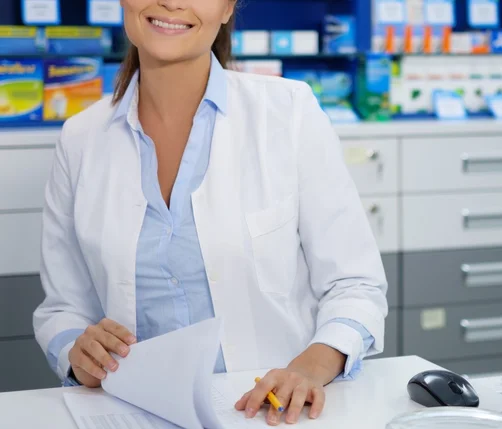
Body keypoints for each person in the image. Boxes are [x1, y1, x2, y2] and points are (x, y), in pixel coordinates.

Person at [33, 0, 388, 425]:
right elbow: (63, 309)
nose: (172, 2)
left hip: (273, 414)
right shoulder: (80, 138)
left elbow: (355, 283)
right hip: (131, 414)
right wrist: (78, 351)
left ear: (227, 8)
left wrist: (309, 367)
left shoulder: (288, 110)